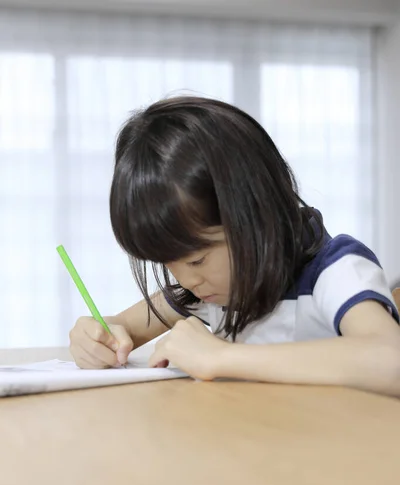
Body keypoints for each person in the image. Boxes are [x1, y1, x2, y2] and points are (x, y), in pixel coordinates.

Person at [69, 97, 400, 397]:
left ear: (257, 215)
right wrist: (98, 337)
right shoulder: (213, 289)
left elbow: (391, 360)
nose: (186, 281)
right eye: (169, 263)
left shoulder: (335, 272)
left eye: (197, 260)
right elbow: (120, 327)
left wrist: (222, 357)